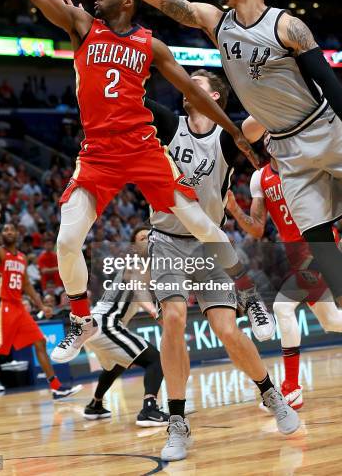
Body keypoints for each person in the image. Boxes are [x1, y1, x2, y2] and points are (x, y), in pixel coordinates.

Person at [0, 0, 258, 365]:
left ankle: (248, 292)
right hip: (97, 153)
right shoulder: (82, 27)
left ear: (128, 1)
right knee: (66, 240)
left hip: (142, 148)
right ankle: (80, 318)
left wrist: (234, 130)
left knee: (202, 226)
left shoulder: (150, 45)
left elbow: (194, 93)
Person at [62, 0, 342, 305]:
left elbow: (329, 83)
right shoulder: (216, 22)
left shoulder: (286, 26)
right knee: (321, 246)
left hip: (325, 127)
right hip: (285, 146)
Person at [142, 73, 299, 460]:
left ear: (213, 95)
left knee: (227, 330)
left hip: (210, 242)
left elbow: (258, 118)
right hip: (166, 239)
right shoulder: (167, 123)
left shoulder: (227, 137)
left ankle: (269, 393)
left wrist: (278, 77)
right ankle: (177, 422)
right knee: (174, 320)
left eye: (194, 81)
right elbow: (132, 97)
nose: (184, 85)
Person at [226, 148, 342, 410]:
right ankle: (292, 389)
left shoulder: (304, 164)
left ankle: (292, 388)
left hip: (318, 245)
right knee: (331, 320)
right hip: (296, 254)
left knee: (282, 307)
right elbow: (256, 228)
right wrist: (233, 208)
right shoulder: (260, 177)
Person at [0, 205, 81, 409]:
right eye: (5, 230)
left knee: (39, 342)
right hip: (2, 307)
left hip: (18, 307)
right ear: (2, 235)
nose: (8, 232)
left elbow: (26, 285)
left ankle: (56, 387)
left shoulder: (21, 258)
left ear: (17, 234)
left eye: (11, 229)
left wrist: (41, 305)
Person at [84, 226, 168, 427]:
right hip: (106, 323)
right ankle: (149, 409)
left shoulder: (151, 268)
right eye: (142, 237)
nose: (148, 239)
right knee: (156, 360)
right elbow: (139, 292)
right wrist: (155, 312)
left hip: (96, 325)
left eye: (150, 236)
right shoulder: (135, 263)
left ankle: (95, 404)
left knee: (117, 363)